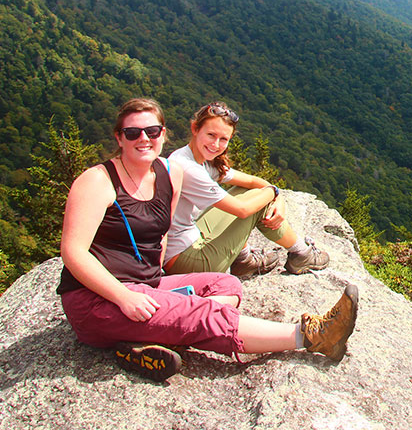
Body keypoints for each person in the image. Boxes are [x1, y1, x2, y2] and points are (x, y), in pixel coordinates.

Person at [58, 98, 358, 381]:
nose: (144, 138)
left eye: (152, 131)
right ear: (119, 137)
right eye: (133, 132)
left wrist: (159, 289)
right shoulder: (97, 180)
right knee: (200, 312)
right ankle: (313, 336)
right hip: (96, 300)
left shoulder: (167, 173)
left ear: (163, 134)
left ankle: (155, 336)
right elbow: (73, 252)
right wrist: (124, 297)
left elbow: (161, 235)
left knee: (227, 285)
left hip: (147, 284)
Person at [162, 101, 329, 278]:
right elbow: (243, 210)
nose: (216, 144)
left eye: (223, 139)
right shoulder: (188, 168)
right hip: (187, 263)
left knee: (246, 192)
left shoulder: (196, 157)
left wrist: (277, 196)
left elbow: (250, 181)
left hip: (186, 242)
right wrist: (273, 193)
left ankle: (243, 261)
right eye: (211, 135)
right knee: (258, 204)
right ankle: (302, 254)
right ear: (195, 128)